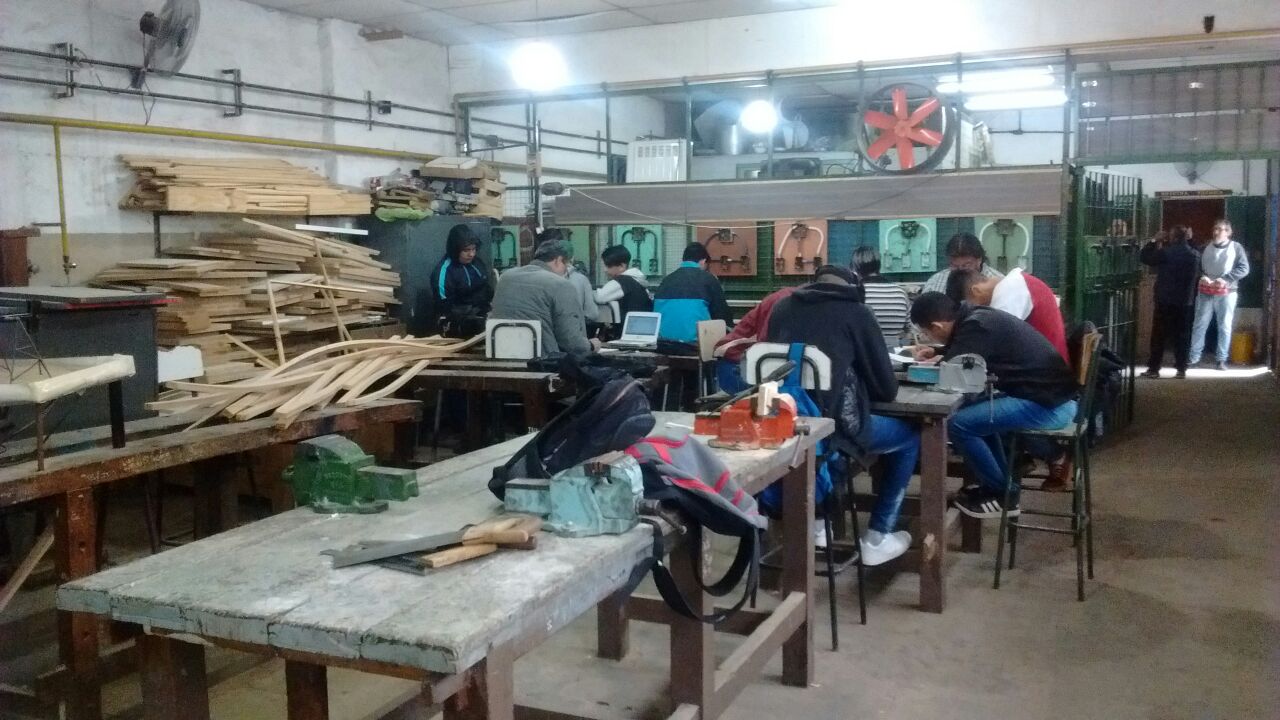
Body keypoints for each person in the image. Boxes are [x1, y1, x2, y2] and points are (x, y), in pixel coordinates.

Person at [765, 265, 920, 566]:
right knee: (911, 436)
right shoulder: (857, 313)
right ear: (854, 288)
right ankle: (879, 535)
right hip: (834, 432)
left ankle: (818, 519)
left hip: (784, 426)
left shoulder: (782, 308)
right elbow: (886, 389)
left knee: (826, 440)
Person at [909, 292, 1078, 519]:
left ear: (937, 326)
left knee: (959, 424)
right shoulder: (976, 317)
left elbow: (952, 373)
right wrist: (938, 352)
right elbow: (962, 356)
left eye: (927, 333)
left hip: (1048, 406)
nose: (930, 337)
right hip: (1049, 397)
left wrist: (925, 366)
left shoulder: (976, 327)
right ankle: (1002, 485)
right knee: (975, 417)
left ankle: (1002, 494)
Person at [489, 239, 597, 356]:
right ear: (558, 260)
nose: (565, 272)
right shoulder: (560, 284)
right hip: (543, 360)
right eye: (566, 266)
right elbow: (570, 341)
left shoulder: (505, 278)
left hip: (501, 354)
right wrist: (591, 345)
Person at [944, 266, 1069, 363]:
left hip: (1047, 375)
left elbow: (993, 346)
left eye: (972, 307)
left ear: (976, 291)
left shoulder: (1008, 294)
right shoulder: (1015, 283)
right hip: (1046, 367)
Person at [1188, 219, 1250, 370]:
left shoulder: (1236, 248)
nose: (1216, 232)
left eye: (1220, 229)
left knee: (1224, 326)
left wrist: (1226, 279)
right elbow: (1196, 265)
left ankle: (1221, 359)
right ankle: (1194, 358)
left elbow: (1244, 268)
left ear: (1228, 232)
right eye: (1215, 229)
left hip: (1227, 292)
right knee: (1199, 324)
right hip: (1205, 291)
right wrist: (1202, 276)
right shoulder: (1205, 247)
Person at [1139, 226, 1200, 379]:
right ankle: (1181, 368)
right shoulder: (1194, 254)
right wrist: (1190, 240)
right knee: (1182, 336)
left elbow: (1145, 258)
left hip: (1164, 300)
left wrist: (1154, 240)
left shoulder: (1166, 253)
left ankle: (1154, 369)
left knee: (1159, 336)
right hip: (1185, 301)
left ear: (1173, 238)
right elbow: (1196, 252)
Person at [653, 244, 733, 343]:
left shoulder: (666, 280)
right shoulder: (708, 279)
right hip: (695, 345)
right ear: (703, 261)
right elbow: (722, 315)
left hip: (664, 344)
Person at [428, 225, 493, 337]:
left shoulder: (477, 264)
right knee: (479, 326)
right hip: (455, 319)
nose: (471, 254)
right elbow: (444, 306)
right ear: (455, 250)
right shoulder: (444, 271)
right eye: (466, 250)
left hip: (481, 312)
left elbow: (487, 290)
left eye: (473, 249)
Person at [538, 228, 598, 330]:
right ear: (571, 257)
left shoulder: (535, 278)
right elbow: (592, 313)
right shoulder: (580, 279)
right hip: (573, 331)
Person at [852, 247, 910, 348]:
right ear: (879, 266)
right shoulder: (900, 292)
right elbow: (910, 329)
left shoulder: (854, 293)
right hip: (895, 352)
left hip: (864, 351)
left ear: (855, 269)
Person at [922, 232, 1005, 295]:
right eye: (955, 266)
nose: (960, 270)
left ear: (979, 260)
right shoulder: (935, 282)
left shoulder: (1000, 284)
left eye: (966, 265)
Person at [593, 245, 652, 324]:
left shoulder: (623, 281)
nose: (605, 270)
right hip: (641, 325)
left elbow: (600, 296)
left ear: (621, 266)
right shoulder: (637, 281)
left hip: (628, 327)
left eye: (608, 266)